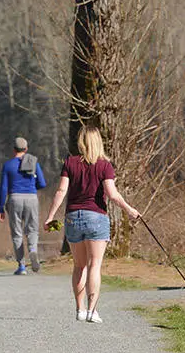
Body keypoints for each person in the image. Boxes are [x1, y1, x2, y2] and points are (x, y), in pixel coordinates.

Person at [43, 125, 140, 325]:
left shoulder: (70, 162)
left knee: (79, 266)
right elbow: (112, 195)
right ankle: (92, 311)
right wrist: (130, 210)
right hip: (96, 218)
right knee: (94, 266)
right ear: (98, 142)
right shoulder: (105, 165)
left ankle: (80, 309)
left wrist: (50, 216)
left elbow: (61, 191)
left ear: (81, 142)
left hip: (72, 218)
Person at [0, 136, 47, 274]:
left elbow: (3, 188)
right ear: (26, 149)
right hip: (31, 197)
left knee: (17, 232)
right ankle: (33, 250)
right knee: (32, 229)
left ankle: (22, 266)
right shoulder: (34, 163)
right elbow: (42, 184)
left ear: (14, 150)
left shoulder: (8, 165)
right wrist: (32, 185)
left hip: (14, 198)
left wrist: (1, 207)